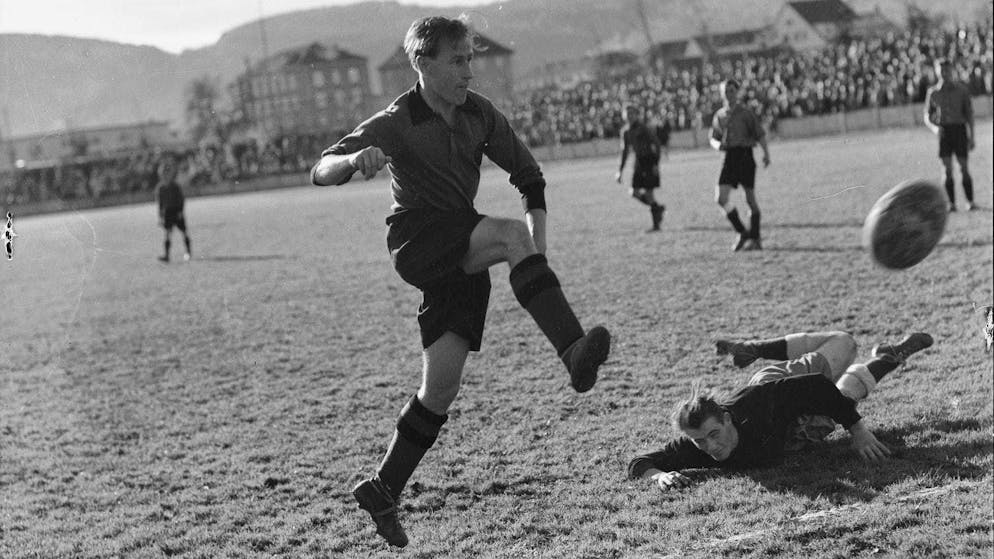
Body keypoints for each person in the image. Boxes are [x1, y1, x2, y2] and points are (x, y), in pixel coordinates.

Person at [310, 15, 611, 548]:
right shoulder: (399, 118)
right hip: (419, 240)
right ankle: (572, 352)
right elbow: (321, 168)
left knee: (440, 390)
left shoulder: (480, 115)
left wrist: (534, 254)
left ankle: (382, 488)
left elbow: (530, 177)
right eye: (458, 60)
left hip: (461, 256)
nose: (469, 70)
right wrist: (356, 159)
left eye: (471, 58)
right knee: (507, 233)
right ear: (422, 64)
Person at [628, 330, 934, 490]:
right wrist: (659, 477)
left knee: (844, 343)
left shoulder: (759, 403)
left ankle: (757, 348)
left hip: (777, 384)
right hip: (786, 423)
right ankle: (889, 356)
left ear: (726, 419)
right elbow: (640, 462)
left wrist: (859, 431)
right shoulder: (695, 445)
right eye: (700, 441)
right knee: (824, 419)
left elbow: (817, 386)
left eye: (713, 434)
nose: (711, 446)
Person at [709, 79, 771, 252]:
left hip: (745, 156)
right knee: (721, 198)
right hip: (729, 157)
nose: (729, 94)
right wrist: (717, 145)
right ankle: (742, 232)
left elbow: (759, 134)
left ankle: (756, 238)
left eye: (731, 90)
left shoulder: (746, 113)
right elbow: (713, 137)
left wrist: (766, 153)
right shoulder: (719, 115)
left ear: (737, 92)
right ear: (722, 94)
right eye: (726, 91)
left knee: (750, 199)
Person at [924, 58, 976, 212]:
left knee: (964, 167)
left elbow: (969, 115)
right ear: (937, 71)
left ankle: (970, 202)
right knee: (946, 169)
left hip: (959, 130)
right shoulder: (933, 93)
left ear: (952, 70)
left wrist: (972, 136)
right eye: (941, 70)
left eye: (947, 69)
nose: (945, 73)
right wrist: (934, 128)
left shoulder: (962, 91)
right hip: (944, 132)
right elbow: (927, 115)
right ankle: (951, 204)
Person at [615, 104, 666, 232]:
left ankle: (656, 225)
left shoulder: (643, 128)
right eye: (627, 114)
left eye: (632, 113)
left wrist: (656, 163)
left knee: (649, 193)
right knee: (634, 192)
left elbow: (656, 144)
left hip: (649, 161)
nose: (630, 116)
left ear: (637, 114)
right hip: (638, 163)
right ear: (624, 116)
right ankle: (657, 208)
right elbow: (624, 152)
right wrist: (620, 171)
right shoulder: (625, 132)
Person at [155, 154, 191, 263]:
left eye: (167, 173)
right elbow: (160, 203)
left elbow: (181, 200)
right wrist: (161, 216)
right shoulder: (160, 188)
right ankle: (166, 255)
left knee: (184, 232)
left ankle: (188, 252)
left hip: (177, 211)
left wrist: (180, 211)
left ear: (171, 174)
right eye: (163, 174)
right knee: (167, 234)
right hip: (167, 213)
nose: (165, 176)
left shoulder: (175, 187)